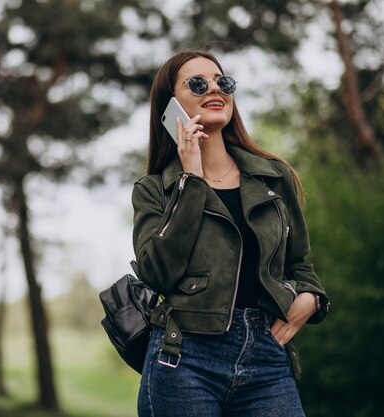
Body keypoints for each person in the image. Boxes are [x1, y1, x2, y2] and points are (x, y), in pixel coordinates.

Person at [131, 50, 330, 417]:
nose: (214, 89)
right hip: (183, 357)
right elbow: (157, 272)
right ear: (170, 107)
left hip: (268, 358)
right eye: (197, 83)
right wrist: (190, 180)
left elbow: (299, 262)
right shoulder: (154, 189)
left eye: (222, 81)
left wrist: (311, 299)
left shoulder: (273, 176)